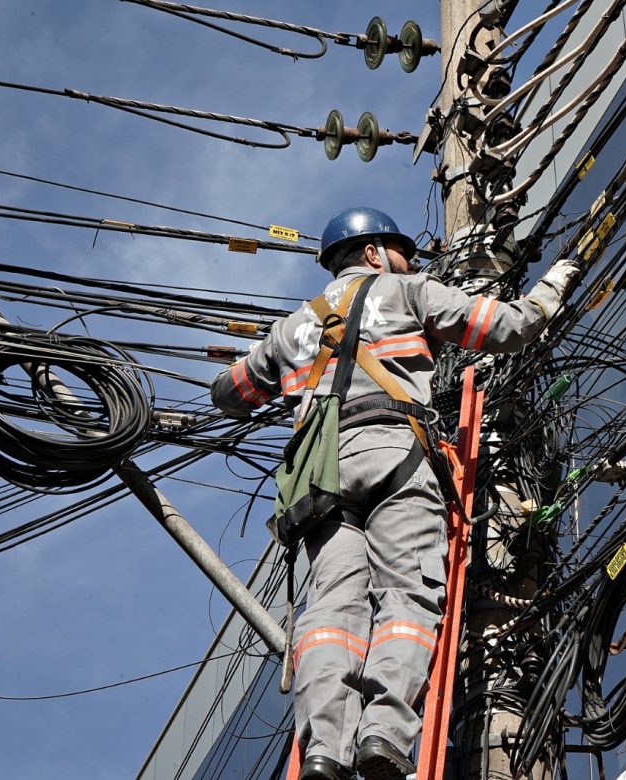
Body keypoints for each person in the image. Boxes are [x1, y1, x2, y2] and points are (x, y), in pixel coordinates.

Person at [210, 207, 579, 780]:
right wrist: (551, 289)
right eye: (401, 252)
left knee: (331, 613)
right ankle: (383, 732)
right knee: (407, 594)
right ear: (376, 254)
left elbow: (229, 393)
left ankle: (324, 750)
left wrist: (272, 371)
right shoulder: (408, 291)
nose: (412, 260)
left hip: (320, 477)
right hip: (395, 453)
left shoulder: (293, 327)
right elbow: (508, 327)